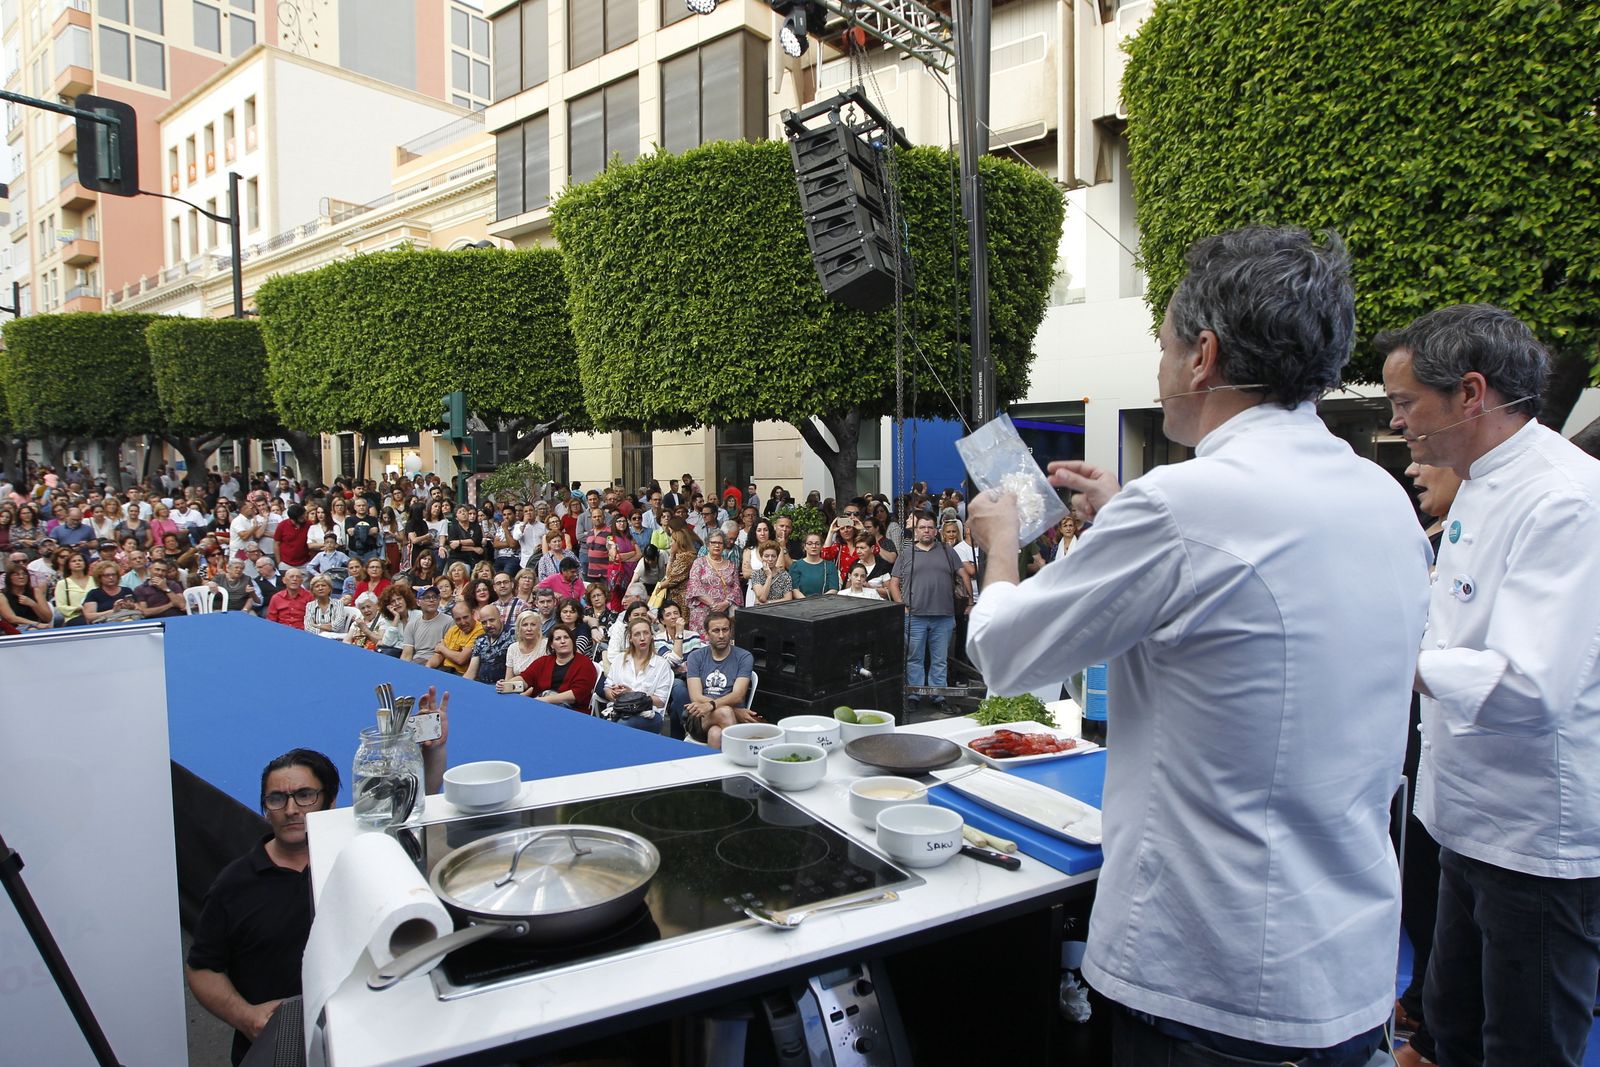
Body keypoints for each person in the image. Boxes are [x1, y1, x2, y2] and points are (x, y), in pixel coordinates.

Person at [965, 225, 1430, 1065]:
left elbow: (1004, 650)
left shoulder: (1183, 509)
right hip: (1347, 962)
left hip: (1211, 980)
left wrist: (1000, 541)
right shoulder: (1383, 497)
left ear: (1203, 356)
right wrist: (1125, 516)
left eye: (1165, 341)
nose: (1159, 362)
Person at [1380, 303, 1600, 1067]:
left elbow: (1532, 682)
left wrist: (1388, 661)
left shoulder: (1564, 496)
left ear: (1470, 393)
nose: (1399, 423)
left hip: (1536, 838)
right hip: (1464, 822)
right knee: (1453, 1025)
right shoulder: (1478, 484)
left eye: (1407, 403)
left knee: (1525, 1046)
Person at [186, 749, 340, 1066]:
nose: (291, 809)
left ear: (330, 800)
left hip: (355, 1034)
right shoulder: (233, 886)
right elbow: (202, 969)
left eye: (305, 795)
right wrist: (248, 1018)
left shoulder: (350, 857)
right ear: (266, 809)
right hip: (277, 1047)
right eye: (276, 799)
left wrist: (431, 757)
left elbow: (403, 829)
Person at [888, 515, 968, 707]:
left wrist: (970, 601)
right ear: (916, 531)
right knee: (914, 658)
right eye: (922, 527)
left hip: (944, 615)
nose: (926, 531)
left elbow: (963, 573)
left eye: (930, 527)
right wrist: (902, 607)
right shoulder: (907, 553)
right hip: (914, 615)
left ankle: (938, 696)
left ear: (936, 531)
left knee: (940, 660)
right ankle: (914, 696)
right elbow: (894, 583)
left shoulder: (947, 551)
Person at [682, 612, 758, 749]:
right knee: (725, 712)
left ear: (731, 632)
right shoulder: (695, 657)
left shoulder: (744, 657)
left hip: (724, 718)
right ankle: (741, 754)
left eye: (725, 630)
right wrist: (734, 711)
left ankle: (714, 769)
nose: (721, 635)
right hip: (700, 716)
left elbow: (738, 695)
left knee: (715, 734)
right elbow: (696, 697)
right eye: (716, 631)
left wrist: (712, 704)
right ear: (706, 634)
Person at [600, 617, 674, 731]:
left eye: (646, 633)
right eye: (637, 634)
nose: (642, 638)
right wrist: (614, 693)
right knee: (604, 724)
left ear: (651, 636)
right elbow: (607, 689)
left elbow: (661, 701)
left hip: (649, 714)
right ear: (630, 638)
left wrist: (632, 695)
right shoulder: (619, 659)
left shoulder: (662, 664)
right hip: (620, 710)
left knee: (621, 725)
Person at [520, 623, 598, 710]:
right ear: (552, 645)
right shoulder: (543, 661)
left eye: (566, 637)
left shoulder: (585, 663)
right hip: (541, 705)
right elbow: (525, 678)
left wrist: (545, 700)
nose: (563, 641)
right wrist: (506, 684)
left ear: (572, 641)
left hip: (572, 711)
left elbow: (577, 694)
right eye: (558, 639)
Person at [465, 604, 516, 683]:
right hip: (481, 685)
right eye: (484, 622)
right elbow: (471, 673)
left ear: (501, 618)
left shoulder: (513, 635)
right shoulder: (480, 640)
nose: (488, 625)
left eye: (491, 620)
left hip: (503, 686)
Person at [399, 584, 451, 662]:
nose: (432, 600)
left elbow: (446, 652)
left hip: (438, 663)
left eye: (435, 597)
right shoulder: (412, 624)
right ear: (418, 602)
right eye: (427, 597)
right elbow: (406, 654)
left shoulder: (449, 621)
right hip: (416, 662)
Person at [498, 610, 546, 693]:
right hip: (517, 691)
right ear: (519, 628)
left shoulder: (546, 645)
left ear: (539, 628)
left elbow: (545, 679)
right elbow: (509, 679)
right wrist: (503, 685)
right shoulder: (512, 648)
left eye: (533, 625)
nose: (529, 629)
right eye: (525, 625)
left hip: (540, 693)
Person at [429, 601, 483, 675]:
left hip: (461, 675)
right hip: (444, 670)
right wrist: (427, 668)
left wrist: (442, 648)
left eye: (465, 617)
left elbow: (461, 659)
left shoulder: (480, 629)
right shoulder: (453, 630)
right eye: (458, 619)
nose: (463, 622)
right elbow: (438, 656)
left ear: (473, 614)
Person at [787, 532, 837, 598]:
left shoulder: (830, 565)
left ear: (822, 546)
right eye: (810, 543)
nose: (814, 546)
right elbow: (794, 589)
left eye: (817, 544)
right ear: (804, 546)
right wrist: (807, 602)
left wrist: (820, 601)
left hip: (825, 603)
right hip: (802, 604)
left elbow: (834, 589)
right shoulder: (796, 565)